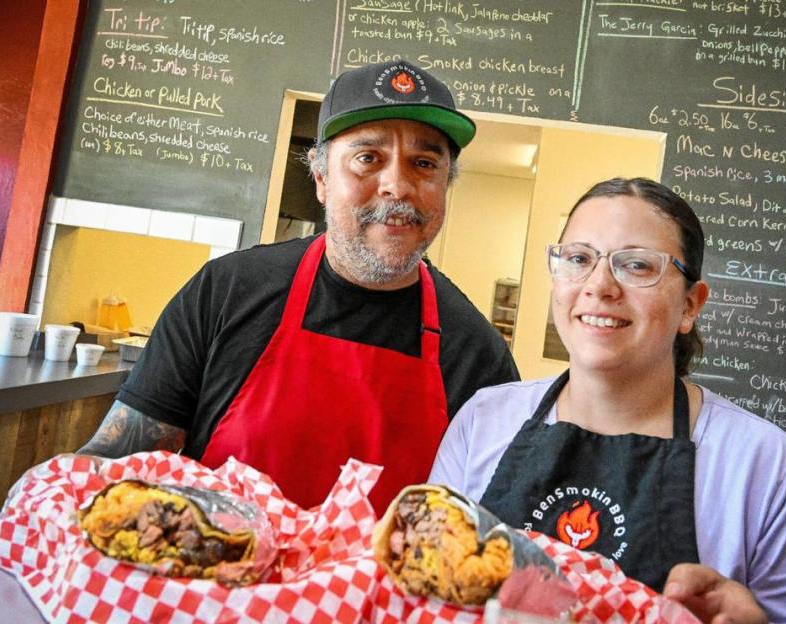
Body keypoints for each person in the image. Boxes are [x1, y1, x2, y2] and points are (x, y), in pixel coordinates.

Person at [78, 59, 519, 511]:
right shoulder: (227, 291)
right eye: (368, 158)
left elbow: (490, 526)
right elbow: (113, 469)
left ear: (446, 185)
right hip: (209, 577)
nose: (397, 186)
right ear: (322, 178)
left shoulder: (479, 356)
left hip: (377, 585)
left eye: (424, 163)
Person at [429, 178, 786, 623]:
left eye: (636, 266)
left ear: (691, 306)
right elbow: (422, 597)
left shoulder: (764, 465)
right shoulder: (483, 420)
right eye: (578, 258)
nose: (599, 285)